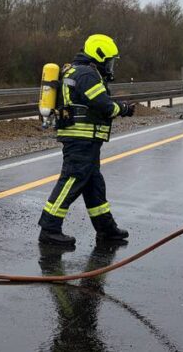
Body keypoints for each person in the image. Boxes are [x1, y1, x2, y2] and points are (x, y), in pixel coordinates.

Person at [38, 34, 135, 246]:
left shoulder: (77, 71)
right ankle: (49, 228)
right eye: (109, 61)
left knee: (94, 185)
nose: (111, 66)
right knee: (71, 180)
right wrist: (125, 108)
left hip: (85, 139)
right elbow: (104, 105)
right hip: (81, 139)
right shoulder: (87, 74)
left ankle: (106, 229)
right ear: (99, 56)